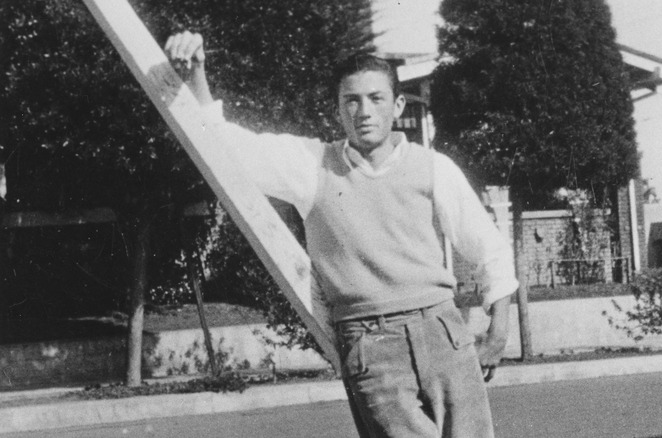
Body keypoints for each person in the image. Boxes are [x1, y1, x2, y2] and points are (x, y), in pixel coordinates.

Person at [165, 31, 519, 438]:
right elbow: (226, 147)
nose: (363, 111)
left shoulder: (433, 167)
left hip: (442, 332)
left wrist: (498, 333)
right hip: (371, 344)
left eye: (375, 98)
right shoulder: (312, 167)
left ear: (397, 105)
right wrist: (197, 76)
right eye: (351, 100)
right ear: (337, 110)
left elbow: (490, 248)